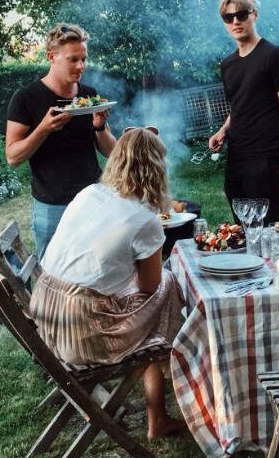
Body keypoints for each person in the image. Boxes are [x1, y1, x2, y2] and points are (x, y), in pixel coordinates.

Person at [29, 127, 186, 439]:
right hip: (81, 333)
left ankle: (159, 407)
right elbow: (149, 288)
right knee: (168, 286)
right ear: (157, 169)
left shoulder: (89, 193)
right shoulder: (145, 220)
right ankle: (165, 393)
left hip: (44, 317)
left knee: (150, 299)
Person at [6, 23, 116, 259]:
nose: (81, 66)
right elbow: (13, 156)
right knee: (51, 276)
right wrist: (44, 129)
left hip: (92, 200)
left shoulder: (89, 95)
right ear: (51, 57)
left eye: (84, 59)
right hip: (51, 206)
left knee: (95, 269)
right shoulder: (26, 98)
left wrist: (99, 126)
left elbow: (111, 151)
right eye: (73, 59)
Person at [207, 0, 279, 224]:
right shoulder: (227, 65)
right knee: (240, 234)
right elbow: (238, 106)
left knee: (266, 234)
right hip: (236, 159)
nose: (235, 22)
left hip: (266, 160)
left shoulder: (275, 56)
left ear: (254, 15)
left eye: (241, 15)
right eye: (229, 18)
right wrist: (223, 130)